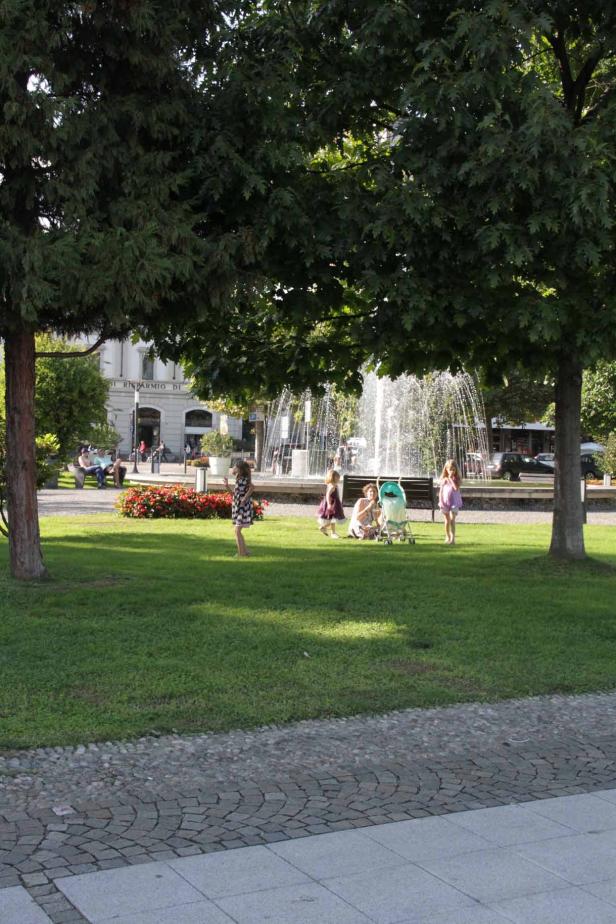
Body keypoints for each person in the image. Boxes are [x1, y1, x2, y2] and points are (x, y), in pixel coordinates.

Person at [223, 461, 255, 557]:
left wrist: (244, 498)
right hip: (239, 507)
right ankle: (244, 552)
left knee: (237, 530)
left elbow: (252, 487)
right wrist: (227, 486)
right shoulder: (239, 479)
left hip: (243, 508)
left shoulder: (244, 479)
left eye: (235, 467)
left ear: (240, 469)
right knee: (237, 531)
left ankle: (242, 554)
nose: (233, 468)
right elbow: (234, 495)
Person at [439, 459, 463, 545]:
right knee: (447, 520)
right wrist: (440, 501)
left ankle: (453, 539)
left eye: (453, 469)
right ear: (446, 469)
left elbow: (455, 488)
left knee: (452, 519)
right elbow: (441, 491)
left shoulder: (457, 479)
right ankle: (447, 536)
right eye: (450, 469)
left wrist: (451, 479)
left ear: (456, 470)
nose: (451, 471)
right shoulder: (443, 479)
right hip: (445, 502)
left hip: (454, 502)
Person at [317, 469, 345, 538]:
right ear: (333, 478)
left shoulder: (330, 485)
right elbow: (328, 495)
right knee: (333, 519)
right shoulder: (332, 486)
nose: (338, 479)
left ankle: (332, 532)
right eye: (337, 478)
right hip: (332, 503)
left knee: (332, 519)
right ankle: (326, 529)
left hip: (332, 503)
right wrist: (329, 504)